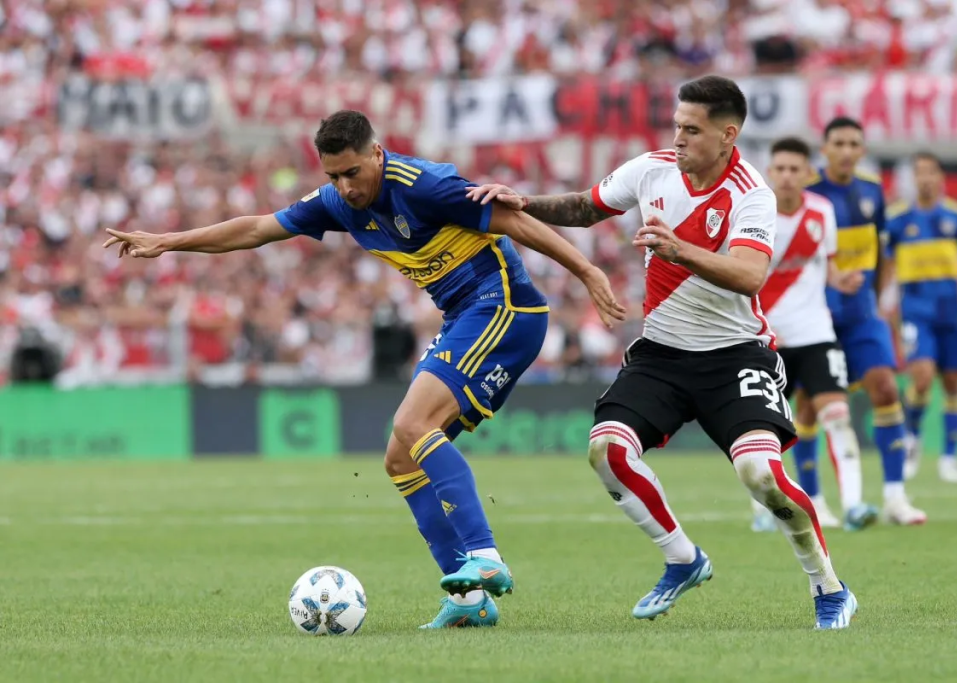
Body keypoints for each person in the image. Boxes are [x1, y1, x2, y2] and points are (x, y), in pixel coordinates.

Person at [103, 110, 626, 629]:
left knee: (412, 424)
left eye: (352, 172)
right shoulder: (336, 202)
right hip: (464, 316)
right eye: (333, 176)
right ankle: (470, 600)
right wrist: (169, 241)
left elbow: (512, 219)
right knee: (400, 459)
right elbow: (258, 228)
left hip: (504, 307)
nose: (345, 187)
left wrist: (586, 271)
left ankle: (485, 556)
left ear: (377, 153)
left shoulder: (423, 185)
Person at [468, 76, 856, 630]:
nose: (678, 138)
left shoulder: (752, 192)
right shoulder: (652, 169)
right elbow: (585, 207)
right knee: (607, 450)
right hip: (663, 356)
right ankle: (682, 558)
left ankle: (829, 588)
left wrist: (680, 249)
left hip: (735, 356)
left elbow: (750, 275)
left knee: (760, 475)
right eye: (677, 125)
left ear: (728, 135)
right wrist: (523, 201)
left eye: (691, 129)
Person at [750, 137, 879, 534]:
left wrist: (842, 280)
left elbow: (827, 266)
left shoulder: (822, 211)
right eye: (781, 169)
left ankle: (854, 505)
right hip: (766, 338)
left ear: (808, 173)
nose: (787, 176)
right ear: (770, 172)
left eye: (795, 169)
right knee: (763, 428)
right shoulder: (753, 213)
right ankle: (763, 509)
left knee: (837, 416)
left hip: (815, 332)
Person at [803, 117, 926, 526]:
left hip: (862, 315)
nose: (846, 150)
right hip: (816, 316)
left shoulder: (872, 191)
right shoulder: (808, 191)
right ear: (824, 149)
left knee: (886, 387)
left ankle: (895, 497)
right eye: (838, 143)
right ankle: (814, 500)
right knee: (809, 405)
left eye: (853, 143)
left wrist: (878, 299)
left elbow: (882, 252)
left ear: (862, 150)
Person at [884, 152, 957, 484]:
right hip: (915, 313)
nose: (925, 178)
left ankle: (949, 459)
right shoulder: (897, 219)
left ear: (940, 177)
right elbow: (886, 266)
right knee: (921, 378)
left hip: (949, 312)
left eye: (931, 172)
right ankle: (912, 440)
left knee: (952, 382)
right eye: (919, 172)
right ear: (913, 178)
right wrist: (880, 302)